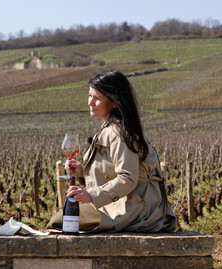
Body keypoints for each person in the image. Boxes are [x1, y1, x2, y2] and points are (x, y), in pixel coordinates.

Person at [47, 70, 176, 232]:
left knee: (64, 219)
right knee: (65, 218)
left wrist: (91, 196)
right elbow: (111, 171)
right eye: (89, 96)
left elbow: (127, 178)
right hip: (122, 205)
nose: (90, 103)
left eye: (97, 98)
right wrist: (82, 172)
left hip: (137, 209)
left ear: (114, 102)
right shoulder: (109, 129)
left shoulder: (119, 133)